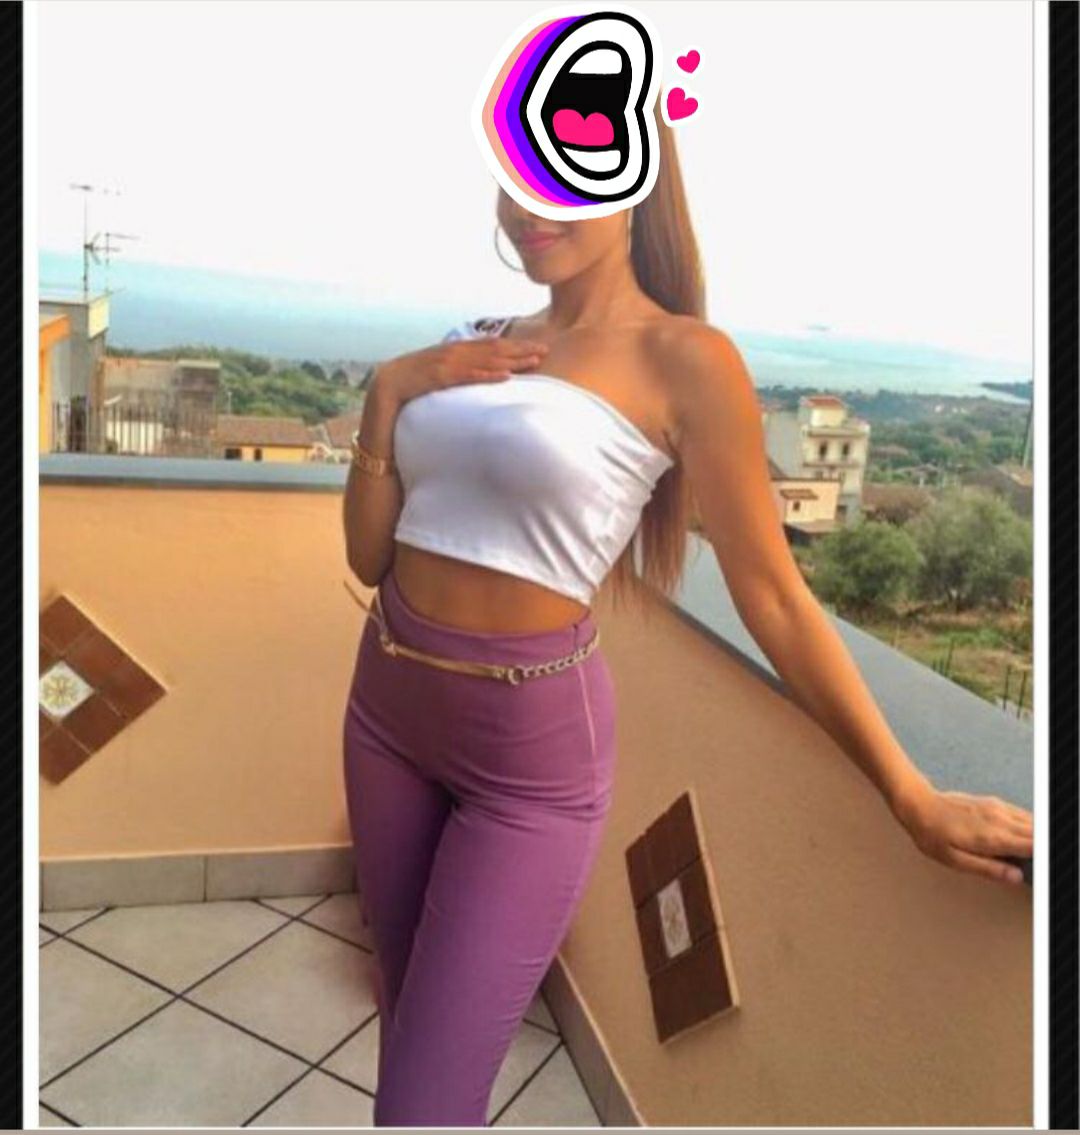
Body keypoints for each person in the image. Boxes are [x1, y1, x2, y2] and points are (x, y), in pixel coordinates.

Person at [340, 104, 1034, 1127]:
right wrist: (389, 391)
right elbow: (367, 556)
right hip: (384, 713)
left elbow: (775, 598)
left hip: (527, 759)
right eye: (517, 175)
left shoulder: (688, 360)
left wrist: (908, 792)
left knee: (421, 1106)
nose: (530, 206)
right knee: (404, 1017)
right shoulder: (470, 345)